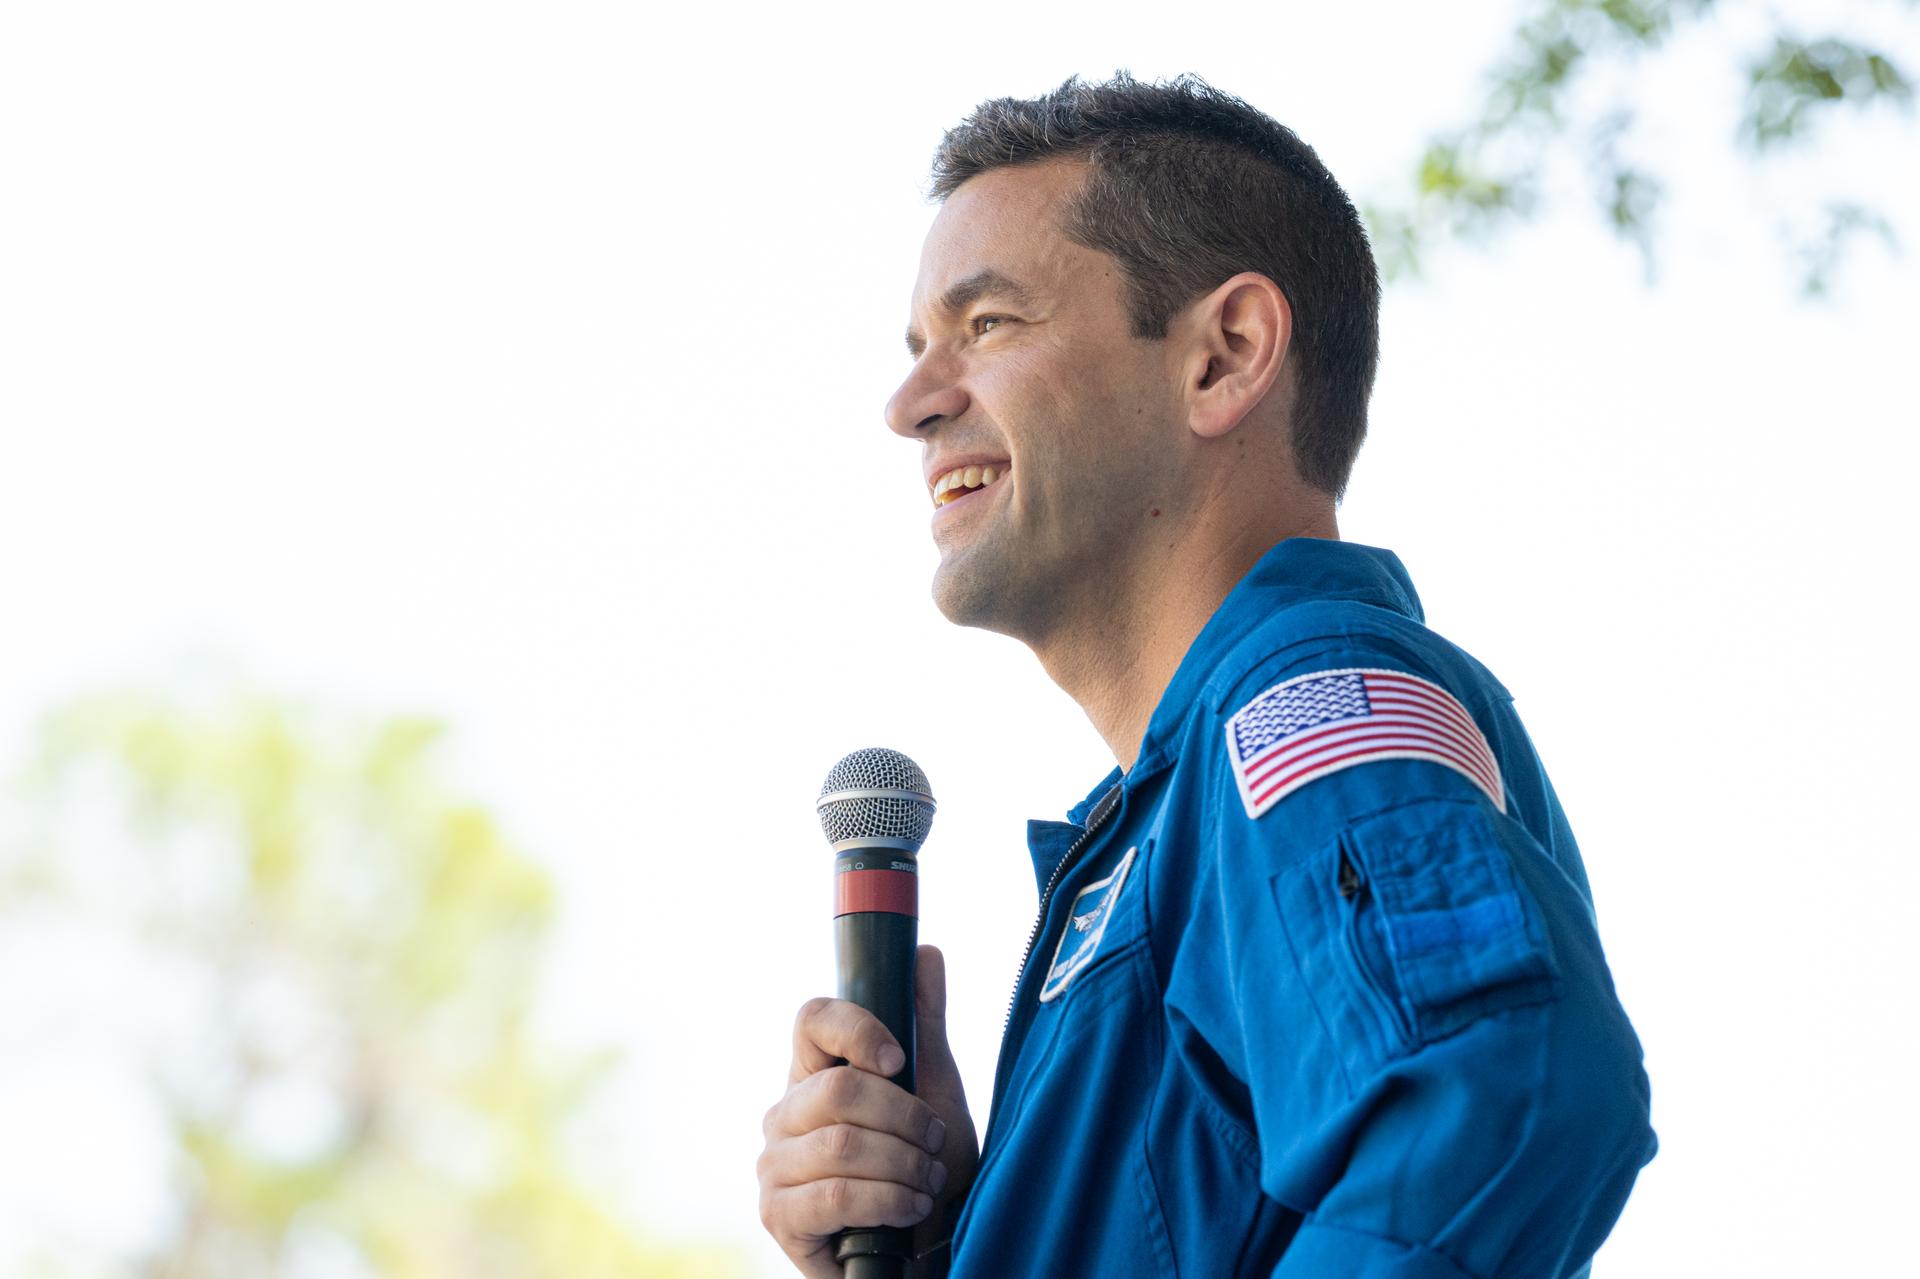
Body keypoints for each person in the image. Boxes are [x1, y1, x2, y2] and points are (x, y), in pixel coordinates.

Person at [756, 74, 1656, 1278]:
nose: (910, 405)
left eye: (989, 324)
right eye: (919, 348)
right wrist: (964, 1235)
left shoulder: (1302, 697)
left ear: (1224, 356)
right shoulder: (1172, 820)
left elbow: (1501, 1096)